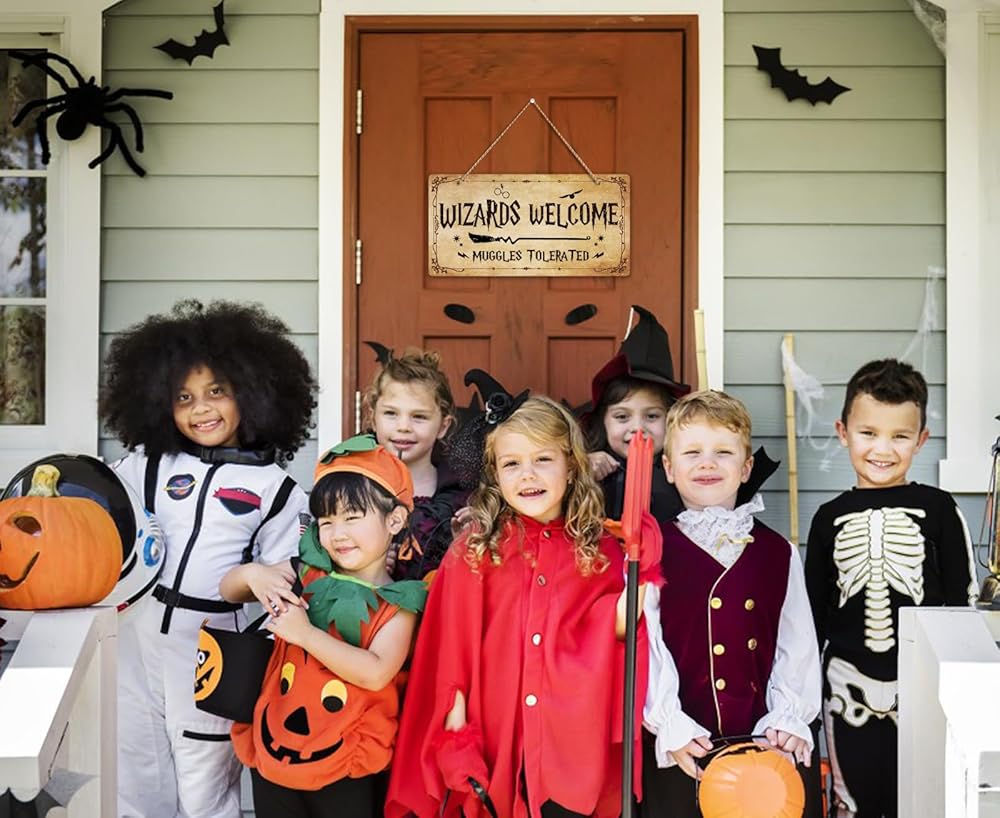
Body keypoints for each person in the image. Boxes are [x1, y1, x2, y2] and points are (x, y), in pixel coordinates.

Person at [385, 377, 662, 818]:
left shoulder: (601, 551)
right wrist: (456, 737)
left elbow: (617, 629)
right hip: (493, 746)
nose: (527, 475)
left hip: (568, 748)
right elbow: (452, 652)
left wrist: (643, 569)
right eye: (511, 463)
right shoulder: (475, 551)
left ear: (571, 465)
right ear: (496, 474)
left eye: (542, 459)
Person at [99, 299, 316, 818]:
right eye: (184, 397)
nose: (202, 409)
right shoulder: (147, 465)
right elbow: (90, 520)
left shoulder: (278, 490)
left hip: (214, 650)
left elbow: (287, 578)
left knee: (206, 791)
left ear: (252, 390)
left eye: (217, 391)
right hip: (133, 639)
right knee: (134, 779)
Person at [805, 359, 976, 818]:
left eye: (900, 436)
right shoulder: (827, 518)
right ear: (843, 432)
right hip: (846, 686)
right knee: (850, 802)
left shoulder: (938, 509)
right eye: (868, 433)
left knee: (925, 800)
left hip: (924, 689)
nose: (882, 448)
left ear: (921, 440)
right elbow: (812, 616)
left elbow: (962, 604)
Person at [222, 436, 427, 818]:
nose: (338, 533)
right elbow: (229, 590)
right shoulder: (306, 574)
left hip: (347, 765)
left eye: (352, 517)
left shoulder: (398, 605)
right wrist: (253, 574)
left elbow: (376, 672)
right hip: (275, 752)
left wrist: (304, 634)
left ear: (394, 520)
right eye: (327, 521)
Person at [642, 390, 821, 817]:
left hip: (764, 749)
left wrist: (787, 718)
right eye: (692, 453)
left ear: (746, 468)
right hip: (686, 749)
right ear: (669, 468)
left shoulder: (778, 552)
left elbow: (796, 646)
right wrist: (670, 723)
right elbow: (647, 647)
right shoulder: (650, 550)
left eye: (723, 452)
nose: (707, 463)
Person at [584, 305, 777, 523]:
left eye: (652, 416)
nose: (637, 428)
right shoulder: (593, 470)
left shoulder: (688, 472)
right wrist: (582, 468)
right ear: (603, 421)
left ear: (671, 419)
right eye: (622, 417)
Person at [361, 343, 467, 580]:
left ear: (443, 426)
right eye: (391, 413)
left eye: (419, 416)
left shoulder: (461, 496)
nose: (403, 427)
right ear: (373, 418)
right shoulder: (351, 486)